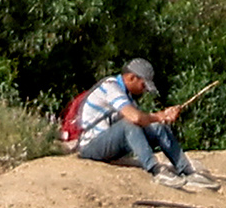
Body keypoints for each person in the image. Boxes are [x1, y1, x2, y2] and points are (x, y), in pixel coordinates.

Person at [65, 58, 208, 184]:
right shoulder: (111, 87)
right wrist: (160, 115)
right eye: (143, 85)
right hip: (90, 146)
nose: (144, 90)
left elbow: (145, 121)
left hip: (107, 144)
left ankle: (186, 170)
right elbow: (136, 118)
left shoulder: (126, 96)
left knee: (156, 126)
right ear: (132, 77)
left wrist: (164, 117)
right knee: (129, 123)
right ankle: (156, 171)